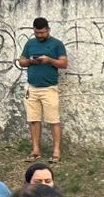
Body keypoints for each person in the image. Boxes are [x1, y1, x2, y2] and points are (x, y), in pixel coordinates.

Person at [17, 16, 68, 161]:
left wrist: (49, 60)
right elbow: (21, 61)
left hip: (49, 88)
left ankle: (56, 151)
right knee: (33, 120)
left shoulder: (57, 44)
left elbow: (64, 64)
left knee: (53, 120)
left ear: (48, 30)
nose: (40, 35)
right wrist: (30, 61)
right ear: (33, 31)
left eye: (42, 33)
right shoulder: (30, 43)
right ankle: (35, 150)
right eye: (37, 33)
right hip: (32, 88)